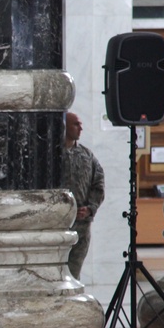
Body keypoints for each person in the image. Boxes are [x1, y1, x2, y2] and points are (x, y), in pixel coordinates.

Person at [63, 112, 105, 280]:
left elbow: (98, 184)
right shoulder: (51, 154)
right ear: (64, 126)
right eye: (76, 124)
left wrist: (90, 209)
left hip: (80, 226)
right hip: (57, 226)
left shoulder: (87, 156)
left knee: (74, 274)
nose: (81, 128)